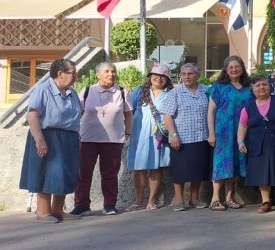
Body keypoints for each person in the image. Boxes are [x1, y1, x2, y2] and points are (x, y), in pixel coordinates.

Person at [20, 59, 82, 223]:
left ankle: (57, 211)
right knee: (45, 173)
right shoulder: (43, 89)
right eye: (72, 73)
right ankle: (42, 212)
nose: (75, 76)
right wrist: (39, 140)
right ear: (60, 74)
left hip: (68, 138)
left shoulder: (72, 92)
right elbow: (32, 115)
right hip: (48, 135)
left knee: (64, 174)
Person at [71, 61, 131, 217]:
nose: (111, 74)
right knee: (83, 173)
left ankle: (110, 205)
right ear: (98, 74)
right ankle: (82, 205)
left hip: (113, 140)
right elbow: (75, 112)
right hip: (87, 139)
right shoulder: (87, 91)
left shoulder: (122, 92)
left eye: (113, 71)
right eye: (107, 71)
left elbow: (128, 114)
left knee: (110, 174)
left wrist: (128, 133)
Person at [238, 76, 275, 214]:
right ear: (252, 89)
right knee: (261, 172)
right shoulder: (248, 107)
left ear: (269, 86)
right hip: (257, 144)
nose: (261, 88)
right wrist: (240, 141)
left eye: (264, 84)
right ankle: (266, 202)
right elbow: (242, 125)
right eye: (258, 85)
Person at [161, 63, 211, 211]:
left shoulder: (206, 91)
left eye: (190, 74)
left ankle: (194, 199)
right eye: (183, 74)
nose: (186, 77)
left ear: (198, 75)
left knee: (198, 169)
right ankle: (179, 199)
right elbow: (167, 115)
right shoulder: (175, 93)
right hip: (181, 138)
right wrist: (173, 135)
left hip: (202, 136)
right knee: (180, 170)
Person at [207, 56, 253, 211]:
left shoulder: (248, 88)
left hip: (242, 133)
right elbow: (211, 111)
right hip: (223, 132)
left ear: (242, 68)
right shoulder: (219, 87)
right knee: (221, 164)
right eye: (231, 67)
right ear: (226, 69)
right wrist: (211, 133)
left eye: (237, 66)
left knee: (234, 164)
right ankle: (215, 199)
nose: (234, 69)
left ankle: (229, 198)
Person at [126, 64, 174, 211]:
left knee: (155, 166)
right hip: (140, 133)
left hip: (159, 135)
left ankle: (152, 200)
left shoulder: (171, 93)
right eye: (156, 75)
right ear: (150, 76)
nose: (159, 78)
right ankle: (138, 200)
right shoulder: (139, 92)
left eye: (163, 76)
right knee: (138, 168)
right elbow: (128, 111)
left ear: (167, 79)